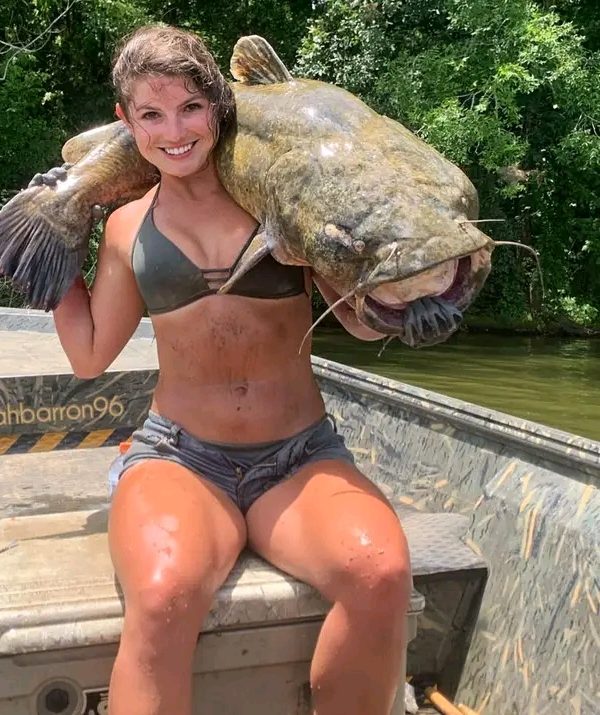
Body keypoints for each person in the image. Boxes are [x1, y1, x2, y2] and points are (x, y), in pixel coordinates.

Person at [43, 23, 411, 715]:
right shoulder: (126, 227)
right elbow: (89, 354)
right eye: (152, 114)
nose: (174, 131)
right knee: (163, 594)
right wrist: (57, 245)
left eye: (190, 107)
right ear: (126, 121)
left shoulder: (284, 200)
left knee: (382, 573)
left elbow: (362, 325)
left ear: (217, 105)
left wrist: (393, 291)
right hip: (180, 459)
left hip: (299, 458)